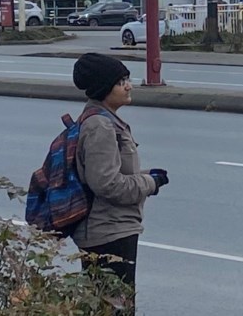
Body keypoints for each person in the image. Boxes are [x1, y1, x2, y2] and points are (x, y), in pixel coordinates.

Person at [70, 53, 168, 305]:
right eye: (121, 81)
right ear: (104, 87)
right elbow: (107, 184)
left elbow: (109, 173)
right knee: (115, 307)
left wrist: (146, 175)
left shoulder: (104, 121)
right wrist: (150, 184)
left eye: (128, 79)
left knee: (109, 305)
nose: (129, 85)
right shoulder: (100, 126)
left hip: (112, 229)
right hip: (108, 233)